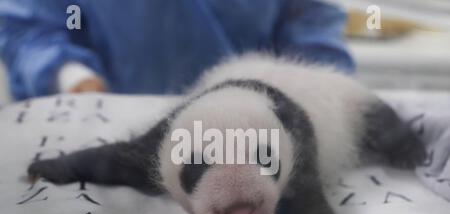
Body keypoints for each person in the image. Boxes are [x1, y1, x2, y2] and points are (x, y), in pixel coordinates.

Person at [0, 0, 354, 101]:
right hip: (104, 128)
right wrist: (74, 78)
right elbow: (24, 28)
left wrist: (316, 95)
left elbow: (310, 29)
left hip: (258, 131)